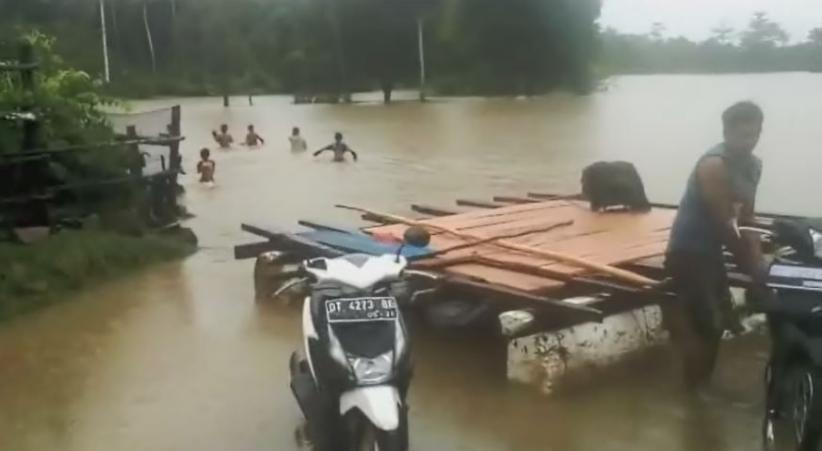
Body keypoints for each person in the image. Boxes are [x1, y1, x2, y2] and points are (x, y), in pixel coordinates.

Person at [664, 101, 767, 390]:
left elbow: (747, 218)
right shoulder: (714, 166)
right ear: (726, 132)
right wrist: (751, 268)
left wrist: (757, 260)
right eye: (741, 135)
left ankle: (699, 388)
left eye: (754, 135)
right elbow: (724, 225)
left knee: (717, 323)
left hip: (713, 253)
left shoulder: (754, 166)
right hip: (688, 251)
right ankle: (692, 393)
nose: (747, 143)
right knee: (708, 325)